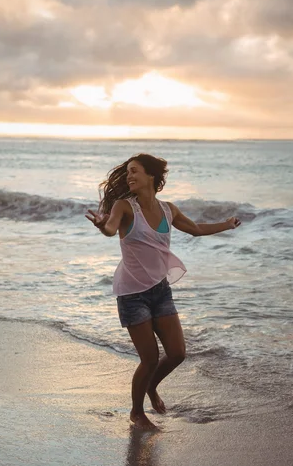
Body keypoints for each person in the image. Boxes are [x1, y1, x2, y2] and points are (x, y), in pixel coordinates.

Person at [86, 154, 241, 430]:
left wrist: (226, 225)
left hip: (160, 291)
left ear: (151, 177)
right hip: (132, 294)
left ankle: (151, 387)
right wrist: (102, 225)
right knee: (149, 358)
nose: (129, 177)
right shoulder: (124, 207)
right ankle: (137, 413)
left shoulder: (169, 210)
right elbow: (111, 228)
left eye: (135, 172)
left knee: (178, 353)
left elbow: (195, 229)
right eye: (128, 173)